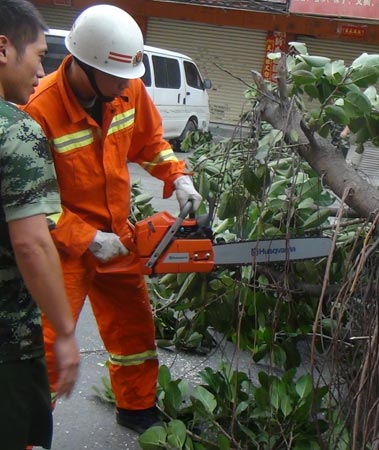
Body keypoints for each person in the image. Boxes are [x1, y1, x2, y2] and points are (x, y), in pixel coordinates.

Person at [22, 4, 202, 434]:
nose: (126, 84)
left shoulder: (126, 89)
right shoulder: (39, 111)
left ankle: (136, 406)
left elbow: (150, 143)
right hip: (63, 246)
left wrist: (177, 177)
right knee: (48, 345)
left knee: (134, 329)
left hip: (118, 234)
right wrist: (86, 237)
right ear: (85, 65)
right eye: (117, 76)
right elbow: (32, 205)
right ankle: (25, 429)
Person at [0, 1, 80, 448]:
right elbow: (32, 245)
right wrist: (65, 333)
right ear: (3, 48)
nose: (41, 70)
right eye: (38, 55)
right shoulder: (16, 131)